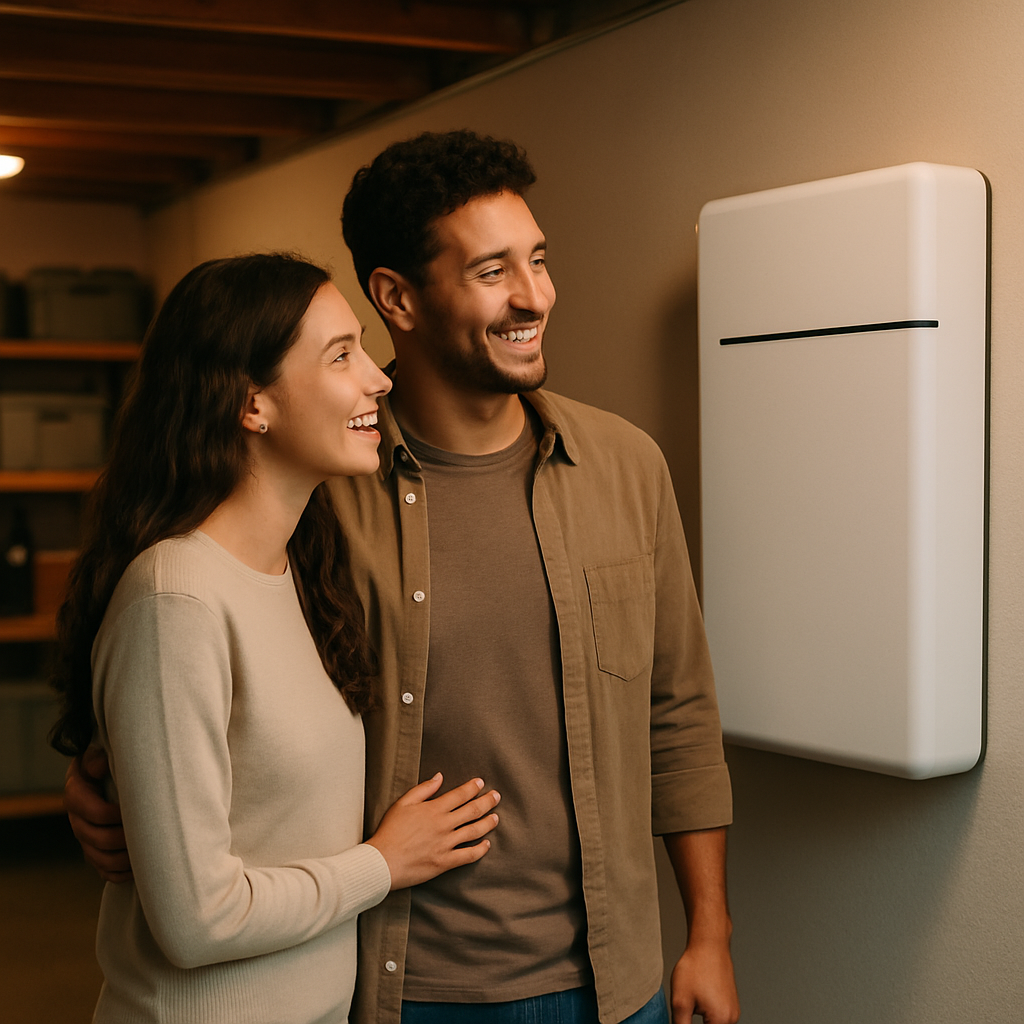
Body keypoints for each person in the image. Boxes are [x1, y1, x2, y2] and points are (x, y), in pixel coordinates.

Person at [65, 133, 740, 1024]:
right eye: (494, 270)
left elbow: (679, 713)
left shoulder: (624, 467)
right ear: (398, 297)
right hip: (399, 983)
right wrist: (101, 771)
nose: (534, 295)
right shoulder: (318, 502)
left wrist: (709, 935)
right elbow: (185, 658)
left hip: (617, 983)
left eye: (538, 260)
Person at [50, 252, 500, 1024]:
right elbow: (196, 921)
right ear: (252, 404)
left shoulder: (304, 571)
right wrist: (383, 864)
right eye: (340, 355)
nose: (378, 378)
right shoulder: (176, 599)